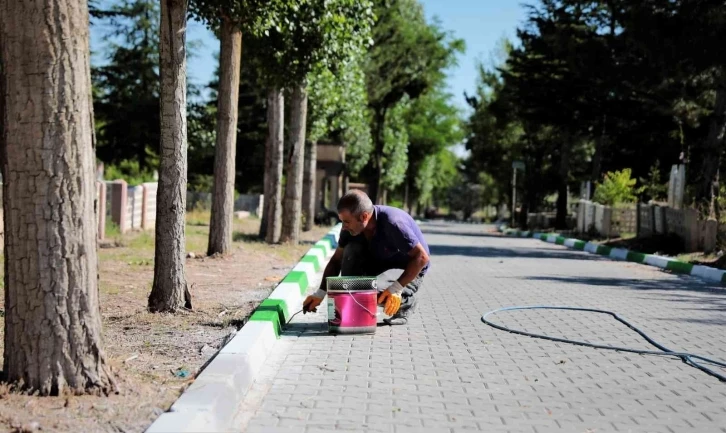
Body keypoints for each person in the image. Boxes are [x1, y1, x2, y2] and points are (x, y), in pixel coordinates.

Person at [302, 190, 430, 325]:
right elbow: (336, 261)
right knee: (351, 249)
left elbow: (421, 258)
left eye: (347, 222)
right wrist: (320, 293)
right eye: (342, 221)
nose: (344, 227)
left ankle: (406, 303)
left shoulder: (393, 223)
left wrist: (396, 288)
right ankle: (359, 299)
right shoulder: (349, 229)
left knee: (370, 291)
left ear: (364, 217)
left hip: (409, 269)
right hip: (379, 264)